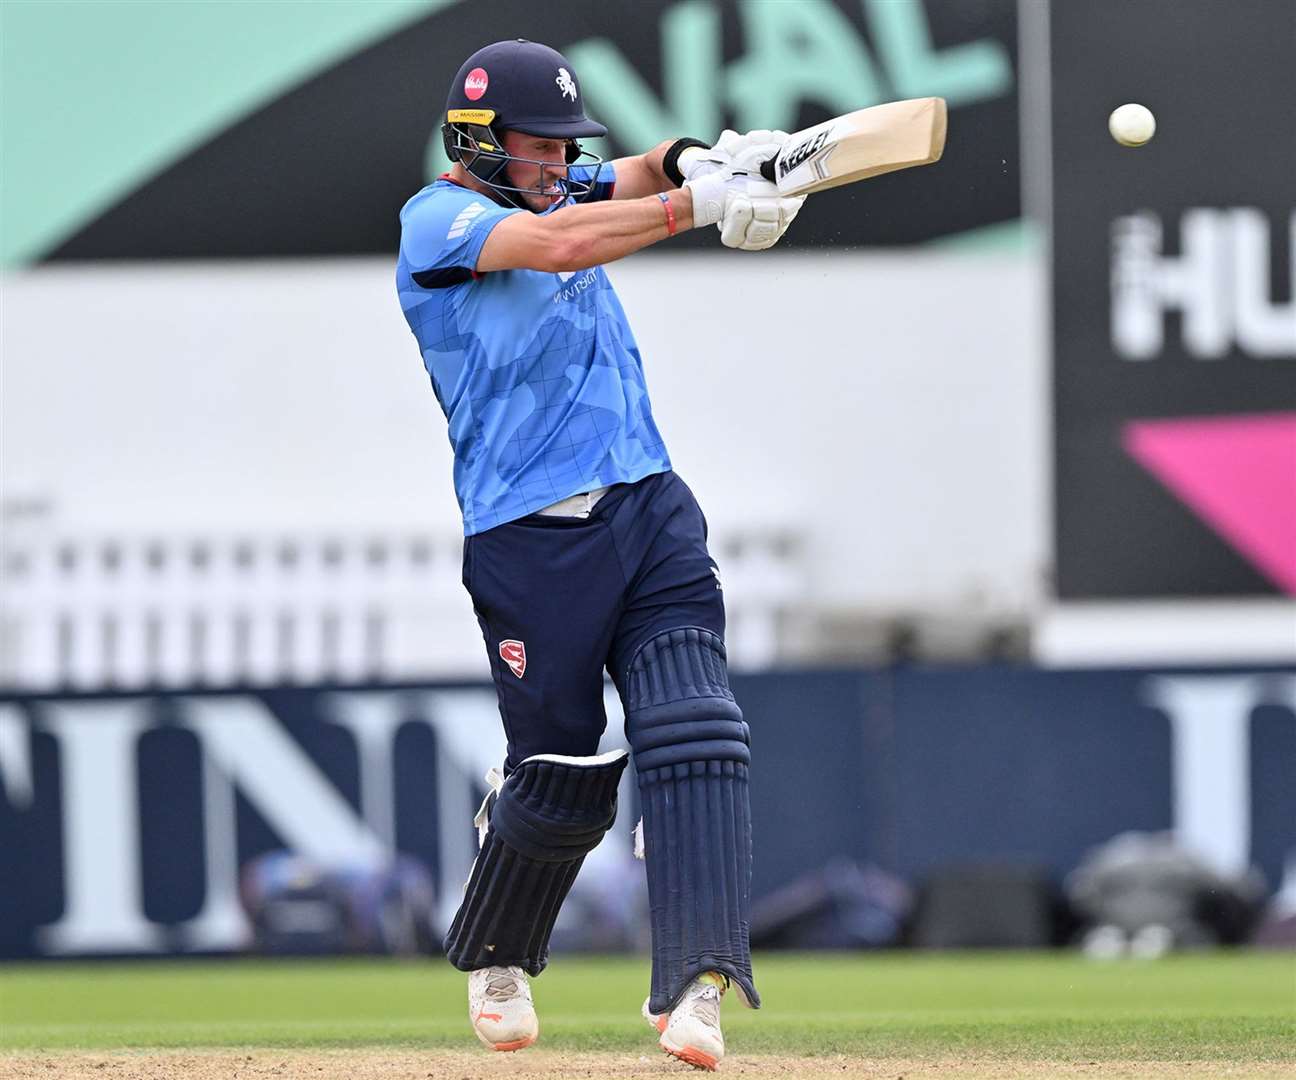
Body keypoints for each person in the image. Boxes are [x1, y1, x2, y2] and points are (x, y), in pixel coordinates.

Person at [395, 38, 803, 1071]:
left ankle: (699, 988)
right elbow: (566, 246)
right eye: (539, 149)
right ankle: (498, 951)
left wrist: (704, 160)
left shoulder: (557, 182)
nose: (558, 165)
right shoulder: (439, 221)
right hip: (530, 539)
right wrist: (696, 209)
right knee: (568, 773)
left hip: (648, 501)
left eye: (565, 149)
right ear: (478, 143)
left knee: (697, 726)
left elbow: (642, 163)